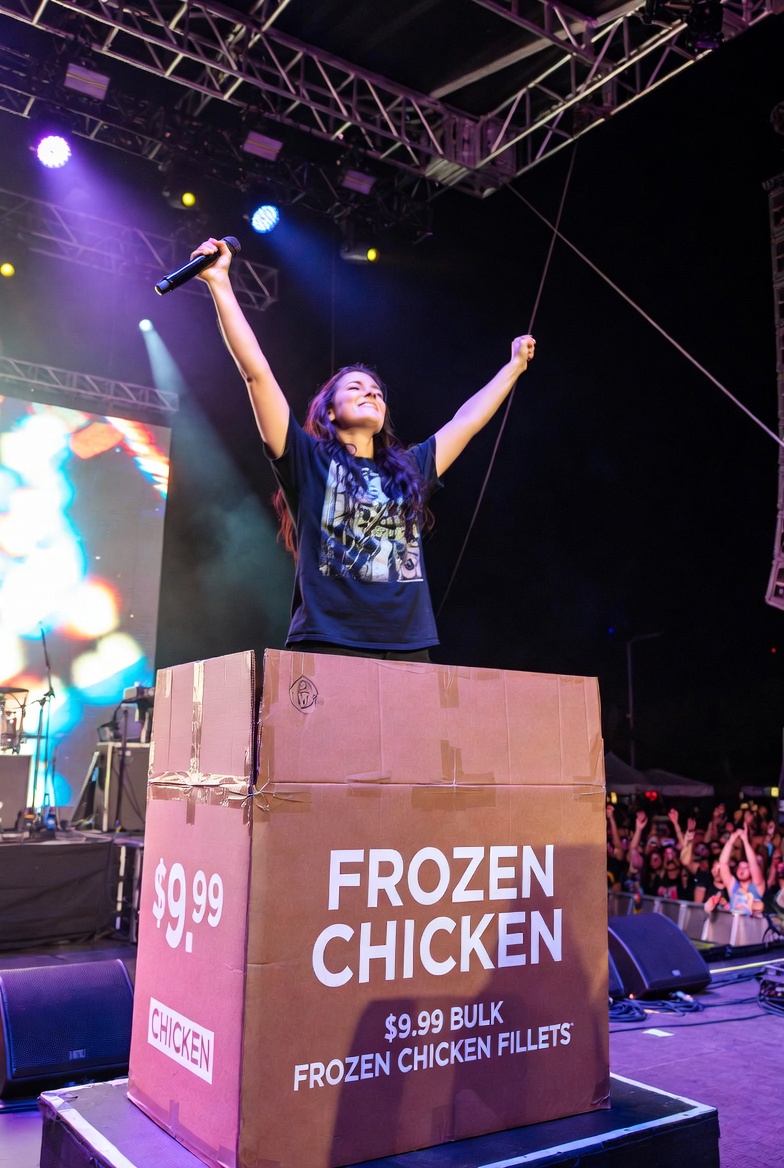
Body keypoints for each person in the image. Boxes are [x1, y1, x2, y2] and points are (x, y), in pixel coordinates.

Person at [193, 235, 536, 659]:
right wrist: (220, 283)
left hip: (408, 645)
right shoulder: (306, 461)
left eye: (376, 390)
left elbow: (467, 420)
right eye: (355, 388)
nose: (371, 393)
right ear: (330, 413)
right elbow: (256, 373)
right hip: (330, 641)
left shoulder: (411, 468)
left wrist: (514, 367)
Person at [718, 826, 765, 916]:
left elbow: (753, 863)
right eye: (739, 867)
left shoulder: (758, 885)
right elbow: (723, 863)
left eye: (745, 867)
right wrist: (731, 840)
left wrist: (745, 841)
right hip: (734, 927)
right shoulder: (733, 885)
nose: (741, 869)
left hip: (752, 928)